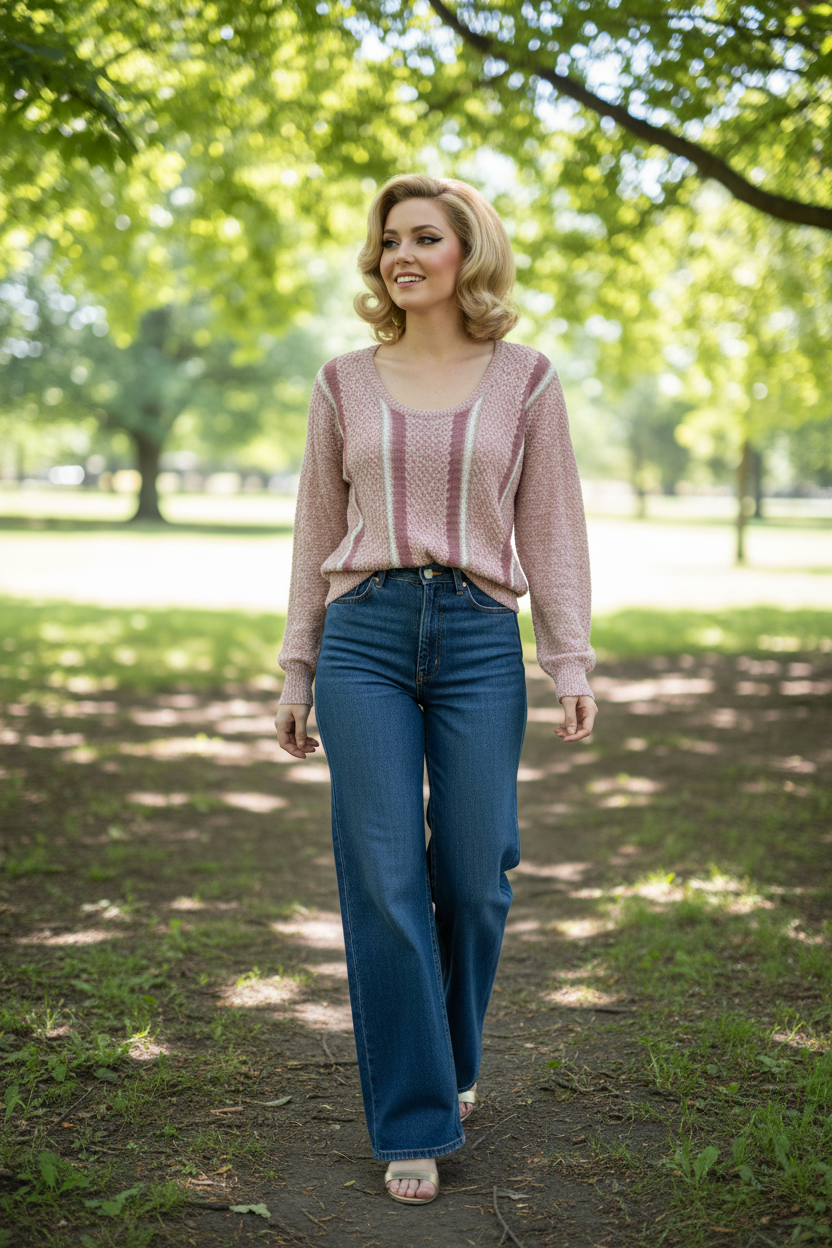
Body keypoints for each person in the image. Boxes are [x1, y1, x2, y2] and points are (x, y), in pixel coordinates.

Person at [274, 174, 597, 1206]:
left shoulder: (525, 381)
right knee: (382, 876)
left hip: (474, 638)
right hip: (362, 640)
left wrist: (569, 656)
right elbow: (315, 533)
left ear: (469, 251)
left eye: (423, 237)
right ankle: (413, 1116)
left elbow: (550, 525)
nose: (398, 254)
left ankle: (450, 1057)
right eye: (387, 240)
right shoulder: (341, 382)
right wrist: (296, 666)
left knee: (473, 875)